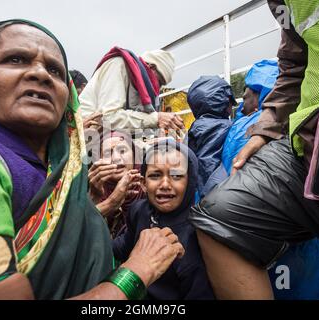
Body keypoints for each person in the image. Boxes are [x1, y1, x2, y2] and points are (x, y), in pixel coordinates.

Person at [0, 20, 185, 300]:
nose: (40, 74)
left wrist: (102, 206)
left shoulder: (62, 166)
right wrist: (136, 272)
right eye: (15, 59)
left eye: (54, 70)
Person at [189, 0, 319, 299]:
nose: (244, 100)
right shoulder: (284, 2)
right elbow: (294, 64)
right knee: (220, 217)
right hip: (312, 145)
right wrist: (267, 129)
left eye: (250, 93)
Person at [222, 60, 319, 300]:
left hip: (265, 235)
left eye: (247, 96)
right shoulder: (312, 122)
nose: (244, 103)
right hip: (316, 241)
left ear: (261, 95)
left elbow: (232, 174)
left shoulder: (244, 129)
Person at [113, 140, 214, 300]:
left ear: (191, 182)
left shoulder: (196, 234)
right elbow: (125, 244)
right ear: (143, 183)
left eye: (176, 175)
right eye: (155, 175)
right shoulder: (139, 210)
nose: (165, 184)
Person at [79, 47, 184, 133]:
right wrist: (156, 118)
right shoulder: (118, 65)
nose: (158, 89)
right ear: (150, 67)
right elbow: (108, 117)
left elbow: (130, 124)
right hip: (84, 140)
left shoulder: (139, 85)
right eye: (159, 82)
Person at [186, 75, 236, 196]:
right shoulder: (222, 126)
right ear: (221, 100)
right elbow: (208, 165)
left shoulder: (196, 126)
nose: (232, 105)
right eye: (230, 99)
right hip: (213, 196)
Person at [88, 131, 144, 238]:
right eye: (108, 154)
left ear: (134, 156)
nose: (116, 158)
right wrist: (109, 203)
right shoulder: (91, 192)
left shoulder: (149, 189)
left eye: (122, 151)